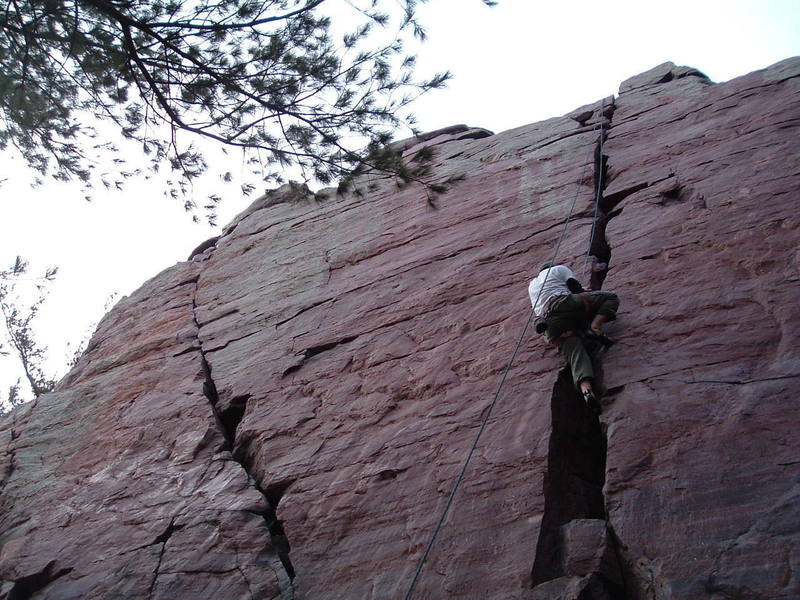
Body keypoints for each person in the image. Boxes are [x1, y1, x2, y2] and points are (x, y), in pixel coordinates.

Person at [528, 262, 619, 415]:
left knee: (577, 355)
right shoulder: (559, 269)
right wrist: (584, 293)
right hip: (565, 304)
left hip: (551, 326)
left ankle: (587, 391)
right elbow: (574, 286)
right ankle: (595, 327)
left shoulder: (532, 285)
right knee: (611, 298)